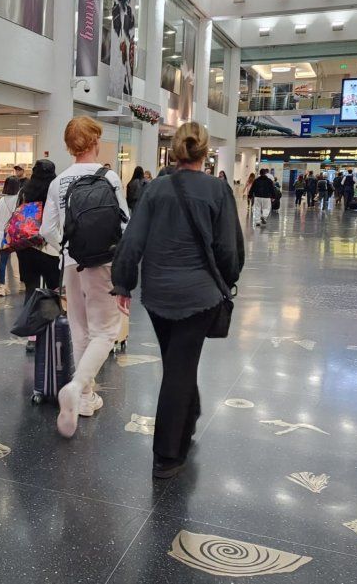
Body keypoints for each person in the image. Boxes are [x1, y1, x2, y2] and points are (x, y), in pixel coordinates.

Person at [111, 122, 244, 479]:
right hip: (199, 295)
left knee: (177, 361)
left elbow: (132, 239)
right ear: (205, 152)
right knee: (179, 367)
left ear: (175, 151)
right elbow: (229, 247)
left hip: (157, 294)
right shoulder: (217, 190)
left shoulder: (155, 189)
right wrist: (227, 281)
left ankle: (191, 410)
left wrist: (123, 284)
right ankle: (167, 454)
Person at [39, 116, 128, 438]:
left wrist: (65, 247)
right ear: (94, 142)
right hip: (103, 261)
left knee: (79, 328)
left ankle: (88, 397)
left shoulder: (57, 181)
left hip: (71, 262)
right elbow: (124, 224)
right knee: (106, 331)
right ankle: (77, 388)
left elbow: (47, 229)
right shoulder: (110, 177)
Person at [14, 159, 60, 352]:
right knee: (54, 290)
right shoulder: (54, 191)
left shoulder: (25, 190)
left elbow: (18, 213)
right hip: (48, 247)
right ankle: (54, 330)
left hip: (26, 245)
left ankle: (31, 335)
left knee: (31, 289)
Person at [0, 176, 21, 297]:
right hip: (18, 236)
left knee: (3, 262)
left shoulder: (1, 201)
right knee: (22, 259)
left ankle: (1, 287)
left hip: (4, 236)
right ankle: (24, 282)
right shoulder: (20, 200)